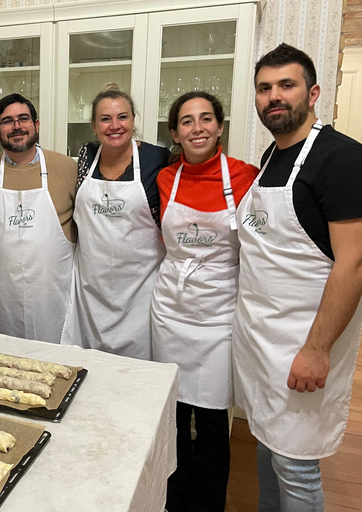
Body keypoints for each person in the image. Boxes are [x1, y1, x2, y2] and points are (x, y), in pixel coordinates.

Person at [232, 43, 362, 511]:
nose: (274, 97)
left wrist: (317, 349)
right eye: (264, 88)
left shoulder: (341, 159)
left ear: (314, 92)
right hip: (262, 342)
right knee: (267, 449)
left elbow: (354, 264)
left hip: (302, 344)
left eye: (286, 85)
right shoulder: (272, 155)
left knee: (297, 467)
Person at [150, 92, 258, 512]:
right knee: (172, 414)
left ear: (220, 127)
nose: (198, 128)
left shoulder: (245, 177)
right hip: (170, 310)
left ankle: (209, 502)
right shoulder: (165, 179)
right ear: (175, 133)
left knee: (213, 420)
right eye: (187, 121)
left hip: (218, 315)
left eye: (207, 119)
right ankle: (173, 498)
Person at [60, 84, 169, 358]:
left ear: (134, 120)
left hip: (139, 294)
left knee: (135, 378)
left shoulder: (158, 158)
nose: (114, 126)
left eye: (122, 117)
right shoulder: (87, 155)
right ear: (94, 127)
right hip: (90, 293)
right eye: (105, 119)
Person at [0, 93, 77, 343]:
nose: (17, 126)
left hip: (54, 295)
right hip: (4, 298)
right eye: (8, 121)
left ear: (36, 124)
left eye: (23, 119)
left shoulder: (66, 168)